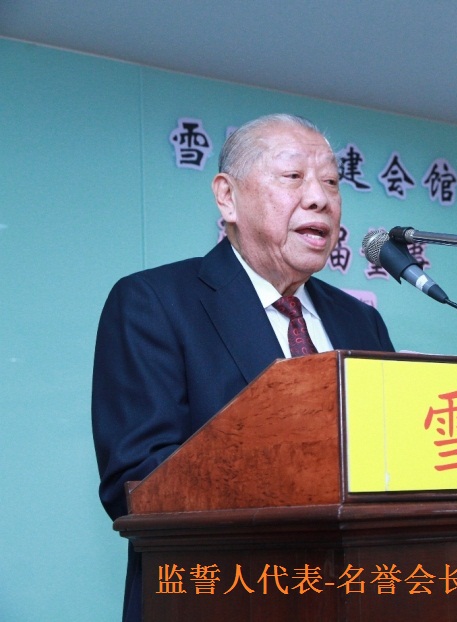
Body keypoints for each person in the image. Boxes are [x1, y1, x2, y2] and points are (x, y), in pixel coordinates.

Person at [91, 113, 395, 621]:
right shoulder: (154, 303)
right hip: (219, 598)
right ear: (227, 197)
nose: (320, 198)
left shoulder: (360, 321)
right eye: (293, 176)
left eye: (331, 182)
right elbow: (138, 482)